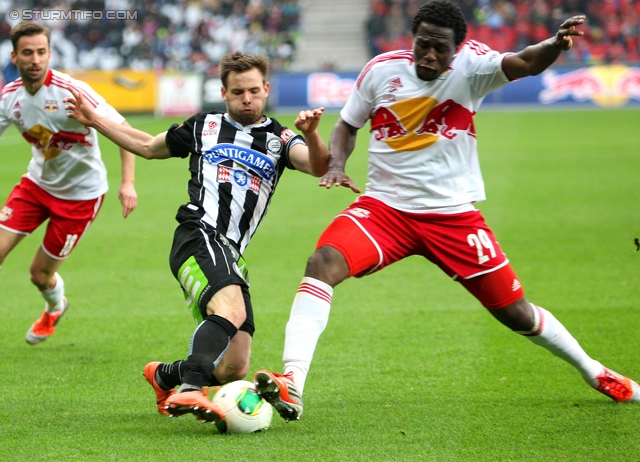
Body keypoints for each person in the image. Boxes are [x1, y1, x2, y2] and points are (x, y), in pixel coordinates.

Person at [253, 0, 640, 423]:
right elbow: (347, 124)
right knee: (322, 262)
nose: (429, 55)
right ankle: (293, 382)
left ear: (457, 49)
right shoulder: (382, 70)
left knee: (516, 313)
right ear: (413, 38)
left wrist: (555, 43)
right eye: (422, 44)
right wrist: (339, 164)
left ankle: (595, 371)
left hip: (453, 217)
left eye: (439, 48)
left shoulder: (474, 68)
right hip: (385, 210)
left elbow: (527, 61)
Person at [64, 51, 329, 423]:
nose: (247, 99)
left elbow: (318, 165)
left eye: (254, 91)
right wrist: (95, 120)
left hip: (231, 251)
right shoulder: (203, 126)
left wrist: (312, 134)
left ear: (266, 89)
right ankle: (189, 390)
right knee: (232, 311)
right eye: (238, 92)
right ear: (224, 93)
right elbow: (145, 146)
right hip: (198, 233)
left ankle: (164, 376)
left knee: (234, 367)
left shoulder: (280, 138)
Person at [0, 21, 138, 345]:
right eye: (28, 53)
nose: (35, 59)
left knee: (39, 274)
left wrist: (128, 182)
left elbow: (124, 130)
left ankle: (55, 307)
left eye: (41, 52)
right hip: (36, 186)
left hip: (80, 197)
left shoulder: (71, 91)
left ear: (49, 53)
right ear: (15, 56)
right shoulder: (9, 98)